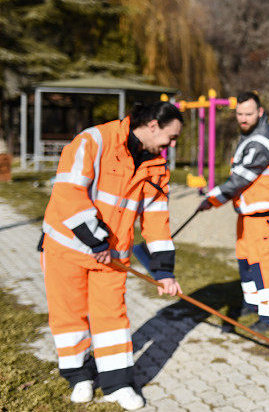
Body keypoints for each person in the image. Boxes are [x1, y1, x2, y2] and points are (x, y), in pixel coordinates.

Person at [40, 101, 184, 410]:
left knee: (112, 318)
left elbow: (157, 218)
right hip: (67, 248)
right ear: (153, 126)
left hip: (112, 258)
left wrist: (164, 270)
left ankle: (117, 385)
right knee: (69, 316)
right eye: (171, 138)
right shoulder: (93, 140)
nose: (172, 146)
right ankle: (79, 377)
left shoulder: (157, 167)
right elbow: (69, 193)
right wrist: (96, 241)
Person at [199, 91, 269, 331]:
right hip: (248, 213)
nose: (243, 118)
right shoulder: (249, 135)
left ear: (260, 112)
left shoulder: (261, 141)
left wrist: (213, 199)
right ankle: (253, 305)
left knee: (262, 263)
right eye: (239, 114)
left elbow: (241, 178)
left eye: (248, 114)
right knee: (246, 260)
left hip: (264, 215)